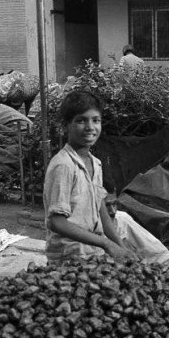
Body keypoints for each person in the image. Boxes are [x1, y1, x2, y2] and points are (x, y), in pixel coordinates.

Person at [43, 90, 132, 262]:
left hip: (93, 253)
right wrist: (106, 244)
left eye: (95, 120)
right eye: (81, 121)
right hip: (69, 256)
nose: (90, 127)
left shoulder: (96, 164)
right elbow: (56, 222)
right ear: (66, 125)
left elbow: (101, 211)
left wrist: (120, 245)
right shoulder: (64, 165)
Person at [104, 192, 169, 266]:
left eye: (114, 204)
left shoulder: (122, 219)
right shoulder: (92, 223)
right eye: (106, 205)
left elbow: (159, 252)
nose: (113, 211)